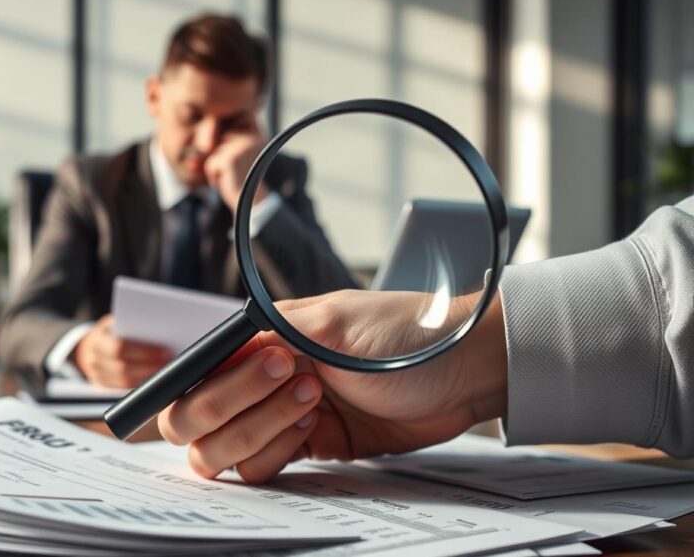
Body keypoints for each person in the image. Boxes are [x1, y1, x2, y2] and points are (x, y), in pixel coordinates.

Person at [158, 196, 694, 484]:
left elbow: (324, 279)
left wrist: (467, 363)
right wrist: (470, 369)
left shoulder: (289, 189)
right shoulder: (113, 184)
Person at [0, 14, 354, 388]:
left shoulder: (279, 181)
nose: (207, 141)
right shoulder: (90, 184)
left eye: (232, 122)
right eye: (192, 115)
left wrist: (252, 198)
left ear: (254, 115)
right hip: (116, 403)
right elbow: (20, 324)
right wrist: (83, 349)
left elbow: (346, 318)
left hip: (238, 401)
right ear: (154, 96)